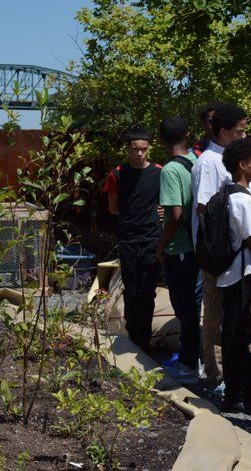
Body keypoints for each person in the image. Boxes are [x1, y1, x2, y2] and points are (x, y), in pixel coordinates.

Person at [191, 102, 251, 390]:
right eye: (240, 131)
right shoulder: (210, 162)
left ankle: (250, 373)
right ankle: (219, 374)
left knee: (247, 317)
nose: (244, 135)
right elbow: (206, 210)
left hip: (245, 255)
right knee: (217, 316)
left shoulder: (241, 157)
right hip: (222, 258)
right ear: (222, 131)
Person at [217, 138, 251, 412]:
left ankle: (247, 391)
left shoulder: (227, 193)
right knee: (237, 334)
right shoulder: (243, 199)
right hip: (240, 274)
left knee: (237, 333)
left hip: (229, 272)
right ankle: (235, 395)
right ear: (242, 165)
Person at [103, 128, 162, 352]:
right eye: (135, 149)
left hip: (151, 238)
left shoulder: (159, 172)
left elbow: (169, 200)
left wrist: (161, 212)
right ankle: (132, 336)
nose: (139, 154)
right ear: (128, 149)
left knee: (148, 289)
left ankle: (144, 341)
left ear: (149, 149)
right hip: (128, 238)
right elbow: (112, 207)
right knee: (131, 288)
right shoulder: (117, 174)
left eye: (143, 150)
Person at [156, 116, 201, 383]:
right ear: (187, 134)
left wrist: (161, 245)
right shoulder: (197, 161)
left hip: (180, 247)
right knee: (194, 307)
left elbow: (174, 214)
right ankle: (196, 361)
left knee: (184, 309)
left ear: (160, 140)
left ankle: (187, 367)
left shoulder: (170, 171)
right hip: (197, 245)